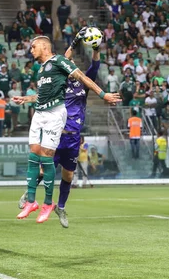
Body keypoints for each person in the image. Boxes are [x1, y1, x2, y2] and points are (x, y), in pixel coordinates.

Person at [13, 33, 120, 224]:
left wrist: (95, 47)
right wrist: (75, 42)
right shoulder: (58, 81)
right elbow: (61, 59)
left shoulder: (82, 84)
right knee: (43, 169)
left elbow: (94, 66)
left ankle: (60, 207)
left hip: (73, 136)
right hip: (57, 132)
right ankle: (29, 196)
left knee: (68, 175)